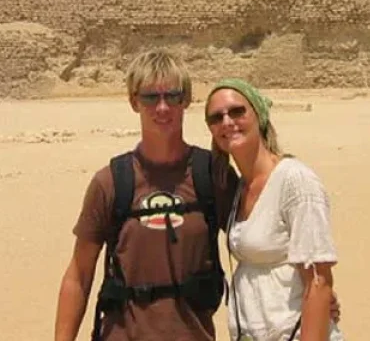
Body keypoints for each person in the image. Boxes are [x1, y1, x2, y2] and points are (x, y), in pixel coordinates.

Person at [54, 48, 238, 341]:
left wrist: (314, 289)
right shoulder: (111, 182)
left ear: (186, 100)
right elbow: (79, 273)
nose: (162, 108)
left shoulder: (213, 176)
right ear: (133, 102)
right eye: (150, 97)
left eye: (172, 96)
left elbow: (258, 247)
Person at [205, 78, 343, 341]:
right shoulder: (237, 188)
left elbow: (319, 280)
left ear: (259, 115)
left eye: (237, 111)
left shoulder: (295, 181)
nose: (227, 122)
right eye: (216, 117)